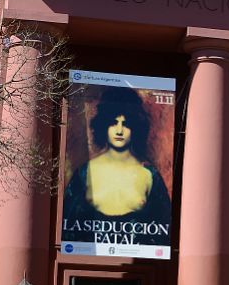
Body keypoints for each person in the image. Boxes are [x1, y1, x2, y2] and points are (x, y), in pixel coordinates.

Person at [60, 92, 171, 246]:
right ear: (103, 125)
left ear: (135, 128)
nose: (119, 130)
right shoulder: (85, 173)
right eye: (113, 123)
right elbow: (67, 228)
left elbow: (164, 231)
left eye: (125, 124)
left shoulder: (150, 177)